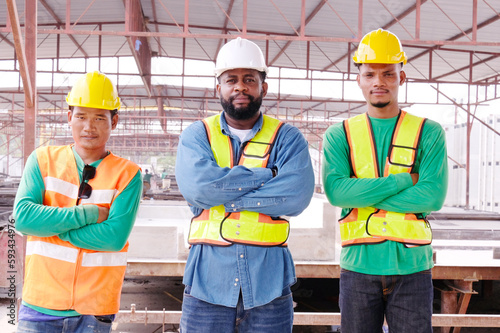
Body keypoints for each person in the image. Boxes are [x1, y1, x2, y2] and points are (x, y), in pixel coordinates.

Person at [175, 37, 315, 332]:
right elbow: (199, 189)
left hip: (269, 288)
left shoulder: (287, 137)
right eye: (231, 80)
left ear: (263, 87)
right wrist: (267, 175)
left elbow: (297, 196)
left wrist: (224, 195)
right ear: (219, 89)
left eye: (249, 79)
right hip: (207, 286)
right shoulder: (197, 135)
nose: (240, 87)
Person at [322, 28, 448, 333]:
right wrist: (403, 180)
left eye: (388, 74)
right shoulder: (339, 134)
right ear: (359, 79)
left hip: (413, 271)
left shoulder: (429, 132)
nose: (379, 82)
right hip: (357, 270)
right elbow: (337, 192)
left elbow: (431, 197)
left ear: (401, 78)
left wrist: (360, 193)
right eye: (370, 74)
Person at [13, 71, 143, 333]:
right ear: (69, 117)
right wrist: (88, 215)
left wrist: (50, 229)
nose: (89, 126)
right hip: (40, 305)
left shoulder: (127, 174)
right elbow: (24, 219)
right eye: (81, 116)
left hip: (94, 310)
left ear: (114, 121)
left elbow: (113, 238)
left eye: (99, 118)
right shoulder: (42, 160)